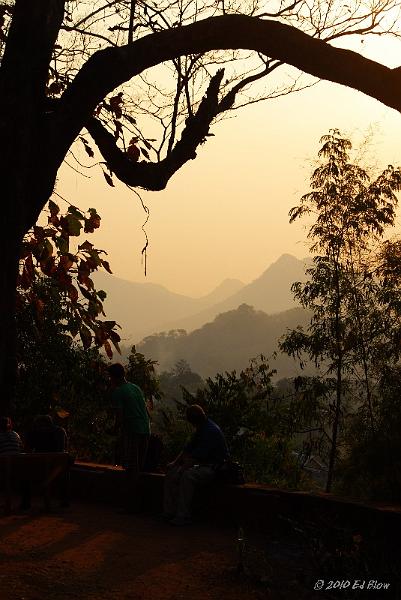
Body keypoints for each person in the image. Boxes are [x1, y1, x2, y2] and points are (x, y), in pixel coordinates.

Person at [163, 404, 229, 526]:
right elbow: (187, 450)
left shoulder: (210, 431)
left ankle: (183, 515)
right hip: (203, 465)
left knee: (187, 476)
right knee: (171, 473)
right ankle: (169, 512)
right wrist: (174, 464)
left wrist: (181, 470)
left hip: (215, 468)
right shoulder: (201, 428)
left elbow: (196, 457)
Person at [108, 363, 150, 512]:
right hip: (145, 429)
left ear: (112, 377)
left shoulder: (118, 392)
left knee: (131, 467)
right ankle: (139, 503)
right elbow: (146, 410)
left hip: (132, 430)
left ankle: (130, 505)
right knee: (139, 466)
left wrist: (112, 430)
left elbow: (119, 418)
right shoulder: (135, 388)